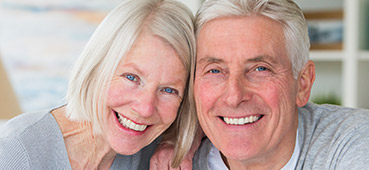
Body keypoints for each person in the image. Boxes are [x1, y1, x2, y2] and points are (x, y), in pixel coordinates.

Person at [0, 0, 198, 169]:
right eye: (131, 77)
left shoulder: (156, 154)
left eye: (169, 90)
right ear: (97, 68)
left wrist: (185, 144)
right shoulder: (16, 152)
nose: (145, 108)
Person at [186, 0, 369, 169]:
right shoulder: (172, 159)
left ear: (303, 84)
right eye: (215, 71)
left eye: (260, 69)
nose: (234, 97)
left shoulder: (355, 141)